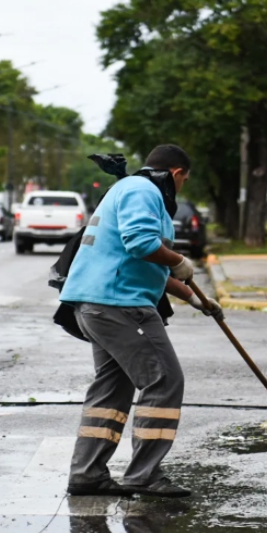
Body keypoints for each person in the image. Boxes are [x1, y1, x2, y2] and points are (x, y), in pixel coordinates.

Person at [60, 144, 222, 499]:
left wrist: (196, 298)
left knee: (112, 388)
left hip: (95, 304)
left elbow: (147, 263)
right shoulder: (144, 191)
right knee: (164, 380)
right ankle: (144, 476)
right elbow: (141, 244)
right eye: (184, 181)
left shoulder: (127, 188)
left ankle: (87, 474)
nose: (181, 187)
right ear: (178, 174)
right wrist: (178, 259)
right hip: (120, 305)